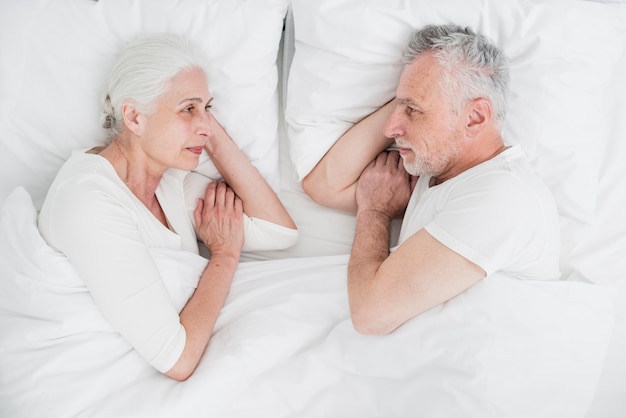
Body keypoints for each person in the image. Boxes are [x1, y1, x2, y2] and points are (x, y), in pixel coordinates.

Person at [37, 34, 297, 381]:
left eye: (208, 108)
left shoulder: (167, 179)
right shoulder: (89, 199)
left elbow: (279, 231)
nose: (204, 124)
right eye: (188, 109)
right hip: (88, 375)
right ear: (133, 117)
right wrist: (224, 257)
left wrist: (208, 134)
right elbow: (177, 360)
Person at [302, 24, 560, 335]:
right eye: (398, 107)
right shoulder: (437, 170)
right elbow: (325, 185)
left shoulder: (502, 196)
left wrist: (376, 213)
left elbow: (371, 314)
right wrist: (410, 96)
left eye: (412, 110)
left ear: (475, 117)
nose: (390, 129)